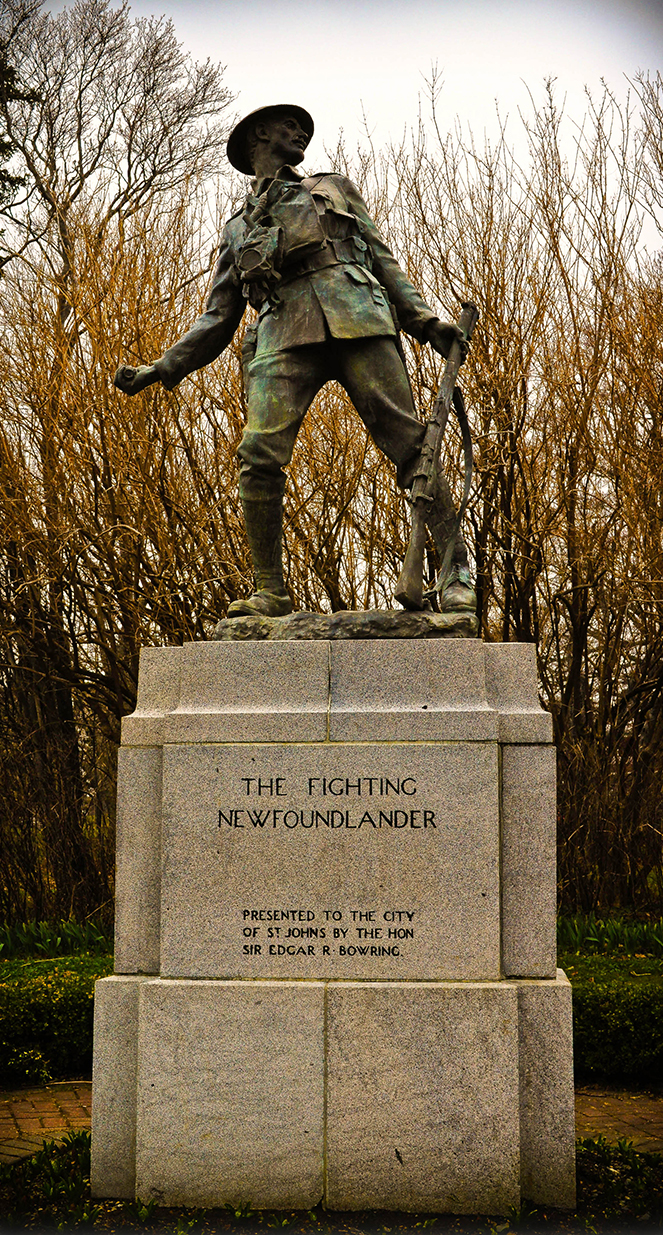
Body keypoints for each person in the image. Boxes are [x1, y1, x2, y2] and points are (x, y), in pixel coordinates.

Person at [115, 104, 475, 617]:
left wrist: (422, 320)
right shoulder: (237, 227)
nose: (301, 131)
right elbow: (217, 317)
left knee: (412, 446)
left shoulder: (331, 188)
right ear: (260, 134)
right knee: (257, 454)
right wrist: (161, 367)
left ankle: (455, 571)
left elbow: (381, 255)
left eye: (303, 128)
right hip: (281, 331)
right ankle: (270, 589)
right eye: (289, 125)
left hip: (357, 315)